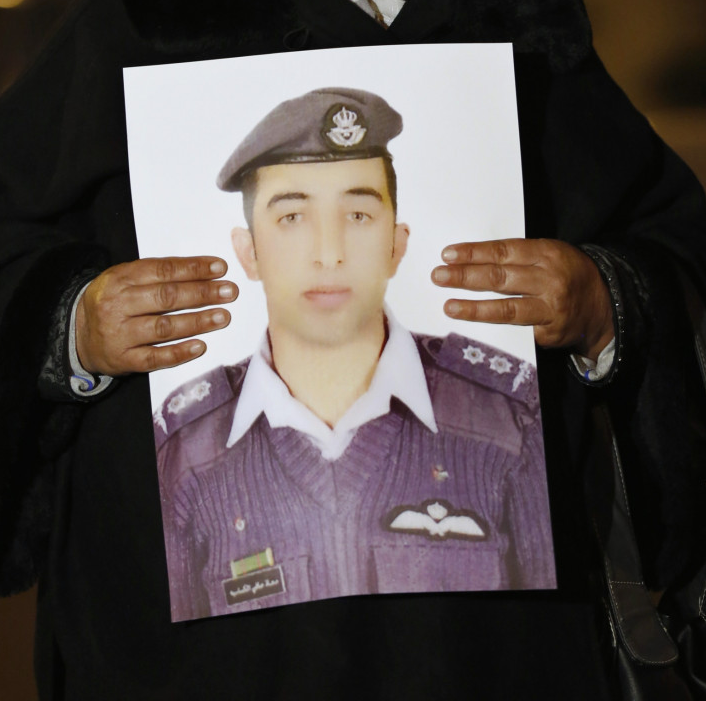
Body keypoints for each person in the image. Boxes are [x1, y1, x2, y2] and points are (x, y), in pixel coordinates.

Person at [0, 0, 706, 700]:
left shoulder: (518, 17)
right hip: (193, 660)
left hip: (475, 658)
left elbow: (676, 253)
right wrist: (72, 328)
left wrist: (605, 305)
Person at [156, 86, 555, 619]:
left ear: (397, 243)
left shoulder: (511, 422)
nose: (329, 253)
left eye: (359, 215)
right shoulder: (183, 456)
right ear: (249, 252)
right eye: (293, 217)